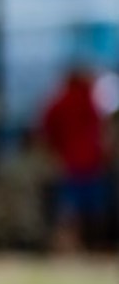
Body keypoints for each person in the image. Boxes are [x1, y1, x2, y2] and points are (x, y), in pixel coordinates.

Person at [38, 67, 114, 254]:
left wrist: (54, 153)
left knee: (70, 211)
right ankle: (90, 246)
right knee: (93, 209)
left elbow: (46, 130)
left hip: (70, 162)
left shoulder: (61, 101)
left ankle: (69, 246)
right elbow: (103, 132)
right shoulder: (92, 100)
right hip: (90, 163)